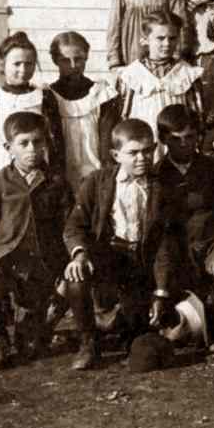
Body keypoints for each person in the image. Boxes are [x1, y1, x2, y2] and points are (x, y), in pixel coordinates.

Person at [63, 118, 180, 371]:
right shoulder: (97, 181)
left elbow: (163, 244)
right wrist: (80, 254)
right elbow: (75, 225)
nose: (142, 158)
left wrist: (161, 291)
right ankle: (88, 342)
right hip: (109, 256)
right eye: (133, 153)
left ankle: (120, 327)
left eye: (148, 151)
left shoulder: (161, 188)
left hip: (140, 264)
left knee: (138, 339)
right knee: (75, 278)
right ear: (116, 155)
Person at [0, 111, 72, 370]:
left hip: (40, 265)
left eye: (38, 142)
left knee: (31, 341)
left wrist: (68, 261)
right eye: (23, 143)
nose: (32, 149)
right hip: (3, 261)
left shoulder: (56, 182)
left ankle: (34, 329)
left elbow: (69, 227)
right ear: (8, 148)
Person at [155, 104, 214, 354]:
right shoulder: (158, 174)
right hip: (178, 249)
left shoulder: (211, 167)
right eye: (176, 139)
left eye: (190, 137)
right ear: (163, 140)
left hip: (211, 241)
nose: (185, 144)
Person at [0, 32, 64, 190]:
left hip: (35, 163)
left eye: (29, 64)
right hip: (1, 162)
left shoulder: (43, 96)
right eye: (17, 64)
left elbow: (54, 138)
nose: (23, 69)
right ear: (3, 65)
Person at [110, 11, 205, 139]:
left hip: (177, 142)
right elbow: (122, 115)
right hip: (143, 143)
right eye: (160, 38)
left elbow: (197, 114)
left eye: (172, 38)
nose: (167, 44)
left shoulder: (187, 73)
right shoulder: (131, 74)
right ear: (145, 40)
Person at [48, 31, 118, 194]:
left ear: (86, 57)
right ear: (55, 61)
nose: (73, 66)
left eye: (78, 59)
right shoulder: (49, 96)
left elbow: (107, 139)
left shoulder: (101, 93)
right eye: (65, 60)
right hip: (62, 173)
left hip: (94, 170)